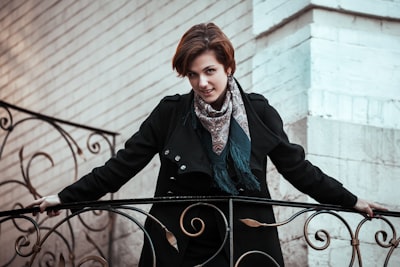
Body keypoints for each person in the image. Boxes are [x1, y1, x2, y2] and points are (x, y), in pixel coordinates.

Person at [30, 22, 386, 266]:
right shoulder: (171, 113)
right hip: (178, 242)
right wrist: (65, 197)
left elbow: (298, 169)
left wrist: (351, 201)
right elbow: (122, 165)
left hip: (245, 244)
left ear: (228, 66)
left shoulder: (258, 112)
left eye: (210, 71)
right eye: (193, 74)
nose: (202, 82)